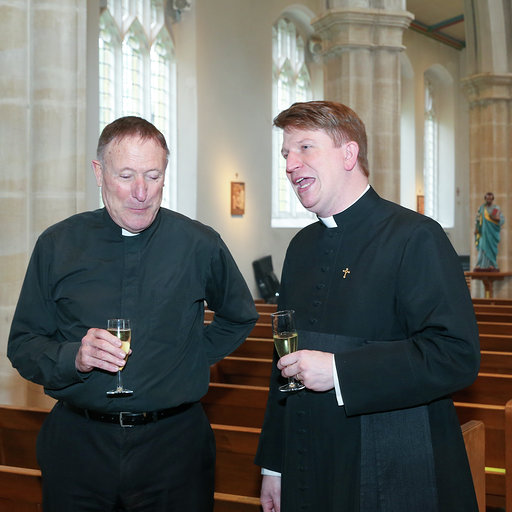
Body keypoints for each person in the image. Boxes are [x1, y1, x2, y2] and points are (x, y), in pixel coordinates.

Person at [8, 116, 258, 511]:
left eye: (153, 175)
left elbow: (239, 315)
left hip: (174, 449)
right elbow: (23, 344)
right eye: (126, 175)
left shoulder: (198, 243)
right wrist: (74, 356)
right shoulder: (58, 244)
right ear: (99, 173)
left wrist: (187, 358)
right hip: (79, 446)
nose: (141, 192)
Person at [255, 101, 480, 512]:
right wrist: (274, 466)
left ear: (348, 154)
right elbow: (282, 362)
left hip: (390, 458)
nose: (290, 164)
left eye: (305, 148)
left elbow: (455, 355)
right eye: (286, 153)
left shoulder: (415, 237)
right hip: (311, 459)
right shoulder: (300, 247)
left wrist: (340, 371)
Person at [474, 191, 505, 270]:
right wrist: (476, 229)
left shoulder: (495, 208)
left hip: (491, 233)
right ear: (485, 199)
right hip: (483, 232)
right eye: (487, 198)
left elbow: (500, 219)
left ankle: (492, 264)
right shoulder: (482, 208)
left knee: (491, 248)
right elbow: (478, 219)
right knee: (482, 247)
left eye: (490, 199)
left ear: (492, 199)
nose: (488, 200)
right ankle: (481, 265)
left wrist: (492, 217)